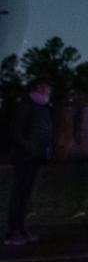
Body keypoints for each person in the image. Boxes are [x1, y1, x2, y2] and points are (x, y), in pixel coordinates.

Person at [4, 78, 53, 245]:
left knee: (25, 196)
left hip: (35, 157)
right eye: (46, 86)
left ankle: (21, 229)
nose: (49, 89)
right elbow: (14, 131)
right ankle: (13, 232)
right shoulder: (27, 104)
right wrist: (30, 147)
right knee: (19, 195)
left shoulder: (44, 106)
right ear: (38, 87)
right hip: (24, 157)